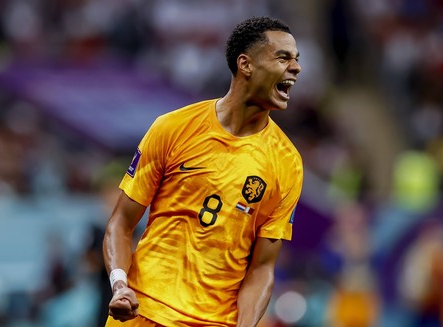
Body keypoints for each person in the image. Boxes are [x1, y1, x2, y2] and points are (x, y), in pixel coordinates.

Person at [103, 16, 303, 327]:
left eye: (297, 59)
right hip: (142, 310)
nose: (296, 68)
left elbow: (262, 267)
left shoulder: (287, 163)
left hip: (213, 321)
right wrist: (120, 285)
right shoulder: (173, 128)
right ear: (246, 64)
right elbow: (121, 223)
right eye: (283, 57)